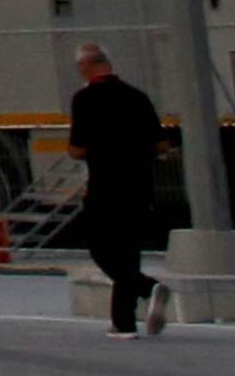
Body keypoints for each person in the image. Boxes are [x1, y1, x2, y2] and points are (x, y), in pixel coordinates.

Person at [69, 44, 166, 335]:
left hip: (105, 186)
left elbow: (77, 149)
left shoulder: (84, 99)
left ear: (87, 66)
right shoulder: (138, 97)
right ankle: (122, 322)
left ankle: (147, 287)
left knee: (98, 244)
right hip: (139, 186)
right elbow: (162, 144)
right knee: (128, 250)